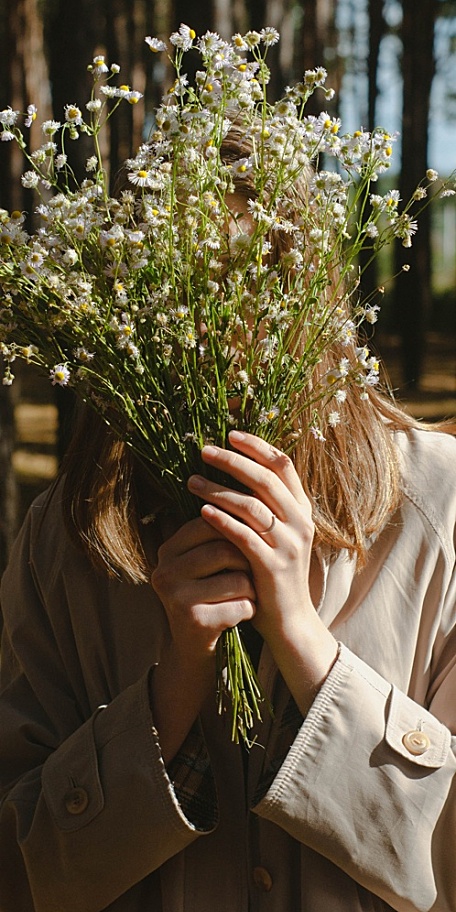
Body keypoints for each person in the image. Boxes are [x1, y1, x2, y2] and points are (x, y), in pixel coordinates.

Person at [0, 129, 456, 912]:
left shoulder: (438, 507)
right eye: (179, 289)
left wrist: (303, 640)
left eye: (255, 280)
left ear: (312, 289)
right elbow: (26, 868)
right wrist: (174, 687)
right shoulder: (67, 536)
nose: (217, 326)